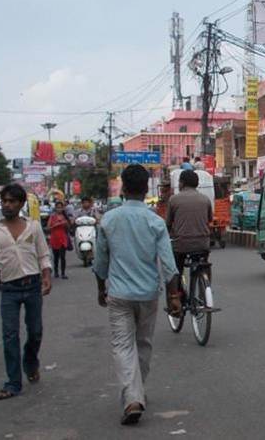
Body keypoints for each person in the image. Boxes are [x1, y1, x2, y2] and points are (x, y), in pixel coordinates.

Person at [93, 164, 180, 426]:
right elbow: (168, 264)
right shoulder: (155, 220)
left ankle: (133, 397)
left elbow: (100, 262)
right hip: (147, 293)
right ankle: (136, 393)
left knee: (123, 346)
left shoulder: (109, 219)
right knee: (143, 343)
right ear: (145, 190)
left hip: (118, 293)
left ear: (123, 188)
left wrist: (100, 289)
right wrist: (173, 296)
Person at [0, 183, 52, 400]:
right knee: (10, 335)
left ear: (21, 204)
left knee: (36, 331)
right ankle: (13, 382)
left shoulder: (33, 227)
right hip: (9, 288)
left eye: (12, 201)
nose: (7, 205)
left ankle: (30, 362)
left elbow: (43, 255)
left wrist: (47, 276)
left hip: (32, 285)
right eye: (5, 201)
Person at [166, 170, 213, 278]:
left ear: (181, 183)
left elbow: (168, 224)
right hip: (203, 243)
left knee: (176, 269)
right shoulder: (205, 199)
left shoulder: (174, 200)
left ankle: (176, 291)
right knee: (204, 264)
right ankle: (206, 288)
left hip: (181, 244)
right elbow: (209, 219)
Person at [47, 201, 70, 279]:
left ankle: (63, 273)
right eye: (58, 207)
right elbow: (48, 228)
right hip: (55, 238)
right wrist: (55, 225)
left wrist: (66, 223)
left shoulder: (65, 216)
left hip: (63, 238)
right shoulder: (52, 216)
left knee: (63, 256)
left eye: (61, 207)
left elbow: (68, 227)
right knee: (56, 256)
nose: (59, 209)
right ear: (55, 208)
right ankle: (56, 272)